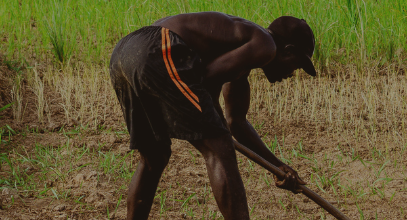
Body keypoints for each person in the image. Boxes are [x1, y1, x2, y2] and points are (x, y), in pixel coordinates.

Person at [107, 12, 317, 220]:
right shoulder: (266, 45)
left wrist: (277, 165)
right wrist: (218, 132)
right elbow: (206, 82)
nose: (290, 74)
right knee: (219, 149)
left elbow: (236, 122)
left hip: (125, 52)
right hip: (157, 48)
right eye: (296, 65)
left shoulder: (246, 49)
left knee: (154, 156)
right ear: (288, 50)